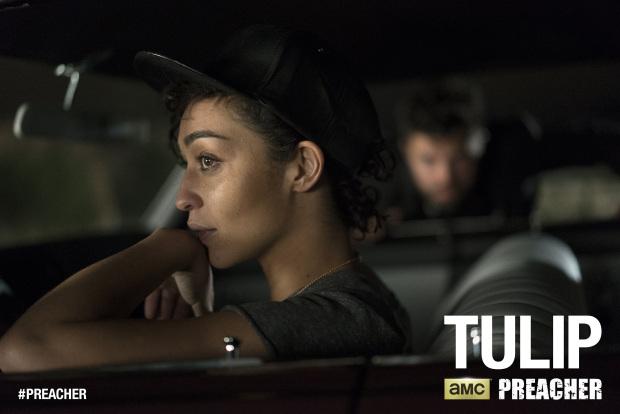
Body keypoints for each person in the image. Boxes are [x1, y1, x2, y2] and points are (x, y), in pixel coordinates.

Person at [0, 25, 411, 372]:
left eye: (208, 160)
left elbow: (26, 350)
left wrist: (166, 248)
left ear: (302, 167)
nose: (183, 198)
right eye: (188, 163)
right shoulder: (358, 299)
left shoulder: (340, 320)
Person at [386, 80, 492, 221]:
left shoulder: (506, 191)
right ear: (405, 151)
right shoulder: (379, 203)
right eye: (429, 160)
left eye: (459, 158)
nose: (445, 177)